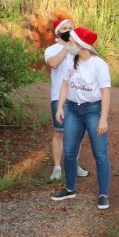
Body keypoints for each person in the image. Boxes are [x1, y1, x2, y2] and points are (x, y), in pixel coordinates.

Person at [51, 27, 113, 210]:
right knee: (69, 152)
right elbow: (64, 84)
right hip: (73, 110)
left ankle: (103, 194)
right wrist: (60, 106)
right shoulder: (71, 61)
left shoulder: (99, 65)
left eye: (71, 41)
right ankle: (70, 189)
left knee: (100, 154)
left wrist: (103, 118)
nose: (68, 44)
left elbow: (106, 92)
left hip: (93, 110)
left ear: (82, 45)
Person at [43, 14, 88, 180]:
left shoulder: (79, 50)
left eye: (71, 28)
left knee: (77, 134)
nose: (69, 31)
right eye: (65, 29)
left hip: (78, 98)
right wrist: (67, 47)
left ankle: (74, 165)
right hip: (58, 98)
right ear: (57, 33)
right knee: (59, 134)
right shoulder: (51, 50)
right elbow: (54, 63)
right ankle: (56, 167)